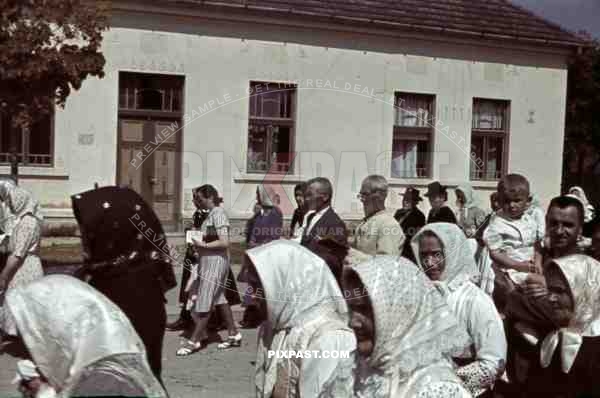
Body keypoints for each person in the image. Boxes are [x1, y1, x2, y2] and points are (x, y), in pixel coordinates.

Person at [71, 185, 177, 381]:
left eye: (87, 228)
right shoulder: (106, 273)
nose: (80, 235)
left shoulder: (124, 289)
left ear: (112, 228)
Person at [5, 275, 167, 398]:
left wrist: (43, 392)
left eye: (28, 340)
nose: (25, 354)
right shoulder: (99, 362)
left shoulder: (100, 379)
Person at [336, 255, 472, 398]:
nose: (353, 322)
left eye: (364, 310)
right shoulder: (361, 367)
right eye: (351, 309)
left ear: (399, 313)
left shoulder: (434, 389)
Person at [245, 240, 356, 398]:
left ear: (286, 284)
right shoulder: (273, 328)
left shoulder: (329, 339)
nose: (252, 297)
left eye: (259, 287)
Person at [412, 223, 507, 397]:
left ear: (453, 253)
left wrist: (444, 387)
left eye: (437, 255)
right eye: (424, 255)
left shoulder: (475, 300)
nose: (429, 262)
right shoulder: (420, 295)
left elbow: (493, 362)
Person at [177, 184, 241, 355]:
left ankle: (195, 340)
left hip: (215, 261)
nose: (198, 201)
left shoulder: (218, 214)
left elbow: (225, 241)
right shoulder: (211, 214)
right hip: (208, 260)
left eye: (200, 198)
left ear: (209, 197)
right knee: (219, 298)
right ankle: (234, 333)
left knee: (204, 300)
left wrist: (203, 244)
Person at [523, 255, 600, 397]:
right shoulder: (550, 340)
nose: (550, 298)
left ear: (585, 293)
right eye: (550, 290)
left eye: (559, 291)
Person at [483, 174, 545, 310]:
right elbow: (495, 253)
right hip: (509, 269)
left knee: (542, 286)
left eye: (517, 201)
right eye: (506, 201)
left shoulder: (530, 220)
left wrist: (539, 262)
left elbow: (537, 244)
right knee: (542, 284)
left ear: (527, 201)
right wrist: (518, 265)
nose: (511, 205)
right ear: (499, 201)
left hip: (530, 266)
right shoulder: (497, 223)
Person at [0, 179, 44, 340]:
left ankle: (30, 345)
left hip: (25, 269)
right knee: (17, 305)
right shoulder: (22, 221)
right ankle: (18, 339)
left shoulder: (28, 222)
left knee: (22, 305)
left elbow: (17, 255)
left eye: (11, 202)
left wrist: (4, 276)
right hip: (21, 267)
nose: (10, 206)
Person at [240, 184, 283, 328]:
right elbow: (252, 231)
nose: (257, 198)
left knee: (264, 287)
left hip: (266, 254)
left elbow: (274, 235)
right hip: (255, 254)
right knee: (253, 285)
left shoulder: (275, 213)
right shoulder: (260, 213)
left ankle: (261, 316)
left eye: (259, 195)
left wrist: (260, 245)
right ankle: (251, 316)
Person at [166, 191, 210, 332]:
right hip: (193, 254)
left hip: (202, 255)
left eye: (196, 198)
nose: (193, 201)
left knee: (204, 290)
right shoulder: (198, 213)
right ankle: (185, 318)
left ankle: (211, 321)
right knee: (188, 287)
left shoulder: (209, 214)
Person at [298, 177, 348, 284]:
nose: (306, 199)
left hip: (322, 282)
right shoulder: (310, 217)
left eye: (310, 195)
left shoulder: (335, 223)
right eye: (306, 195)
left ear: (325, 197)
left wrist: (310, 261)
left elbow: (336, 259)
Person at [354, 175, 405, 256]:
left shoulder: (388, 225)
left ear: (378, 197)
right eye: (360, 195)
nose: (362, 200)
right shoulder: (364, 223)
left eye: (365, 194)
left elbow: (386, 263)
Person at [394, 187, 426, 263]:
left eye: (408, 200)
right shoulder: (398, 213)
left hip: (408, 254)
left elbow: (416, 238)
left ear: (415, 202)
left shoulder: (419, 216)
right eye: (404, 199)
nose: (405, 202)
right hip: (395, 250)